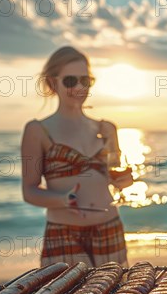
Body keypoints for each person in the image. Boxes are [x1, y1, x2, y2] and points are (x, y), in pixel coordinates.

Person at [21, 46, 132, 267]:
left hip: (110, 229)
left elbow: (116, 179)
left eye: (85, 81)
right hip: (63, 235)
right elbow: (29, 191)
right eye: (70, 81)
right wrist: (62, 200)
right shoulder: (37, 130)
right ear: (53, 83)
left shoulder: (107, 128)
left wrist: (125, 181)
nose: (79, 87)